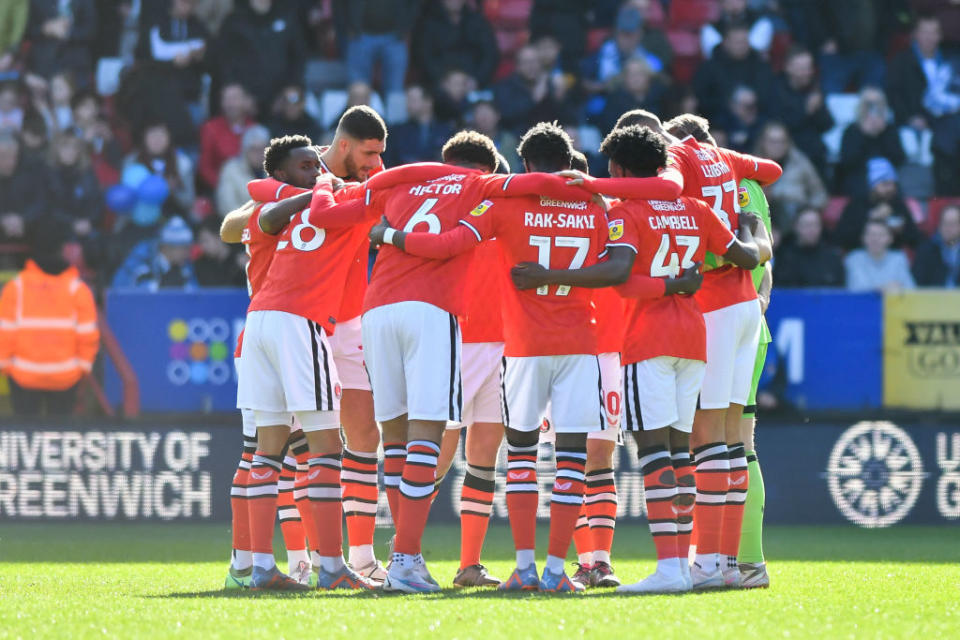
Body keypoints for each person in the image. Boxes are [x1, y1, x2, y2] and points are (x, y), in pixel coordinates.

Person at [511, 125, 761, 594]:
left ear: (622, 171)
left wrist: (550, 273)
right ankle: (688, 565)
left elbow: (620, 277)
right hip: (694, 338)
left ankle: (669, 569)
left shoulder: (626, 213)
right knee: (681, 451)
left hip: (647, 340)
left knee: (653, 453)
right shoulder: (697, 208)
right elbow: (747, 258)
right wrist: (751, 226)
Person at [366, 126, 611, 593]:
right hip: (488, 336)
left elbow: (443, 239)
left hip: (490, 338)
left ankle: (459, 562)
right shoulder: (501, 196)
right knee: (458, 452)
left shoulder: (494, 204)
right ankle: (412, 554)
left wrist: (388, 232)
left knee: (479, 457)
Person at [569, 110, 780, 589]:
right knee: (727, 442)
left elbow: (649, 216)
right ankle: (725, 564)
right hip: (741, 304)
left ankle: (690, 565)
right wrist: (759, 235)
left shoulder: (671, 171)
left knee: (689, 444)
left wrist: (590, 187)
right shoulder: (718, 166)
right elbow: (770, 177)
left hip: (693, 317)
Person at [243, 106, 389, 582]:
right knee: (326, 449)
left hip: (263, 316)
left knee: (267, 453)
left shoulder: (294, 200)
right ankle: (330, 566)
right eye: (369, 154)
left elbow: (253, 211)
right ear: (345, 146)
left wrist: (312, 190)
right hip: (305, 323)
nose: (374, 163)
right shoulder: (347, 198)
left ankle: (255, 567)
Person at [0, 226, 99, 416]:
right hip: (66, 377)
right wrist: (83, 369)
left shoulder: (16, 287)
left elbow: (4, 334)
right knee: (59, 438)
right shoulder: (78, 289)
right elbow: (89, 336)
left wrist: (6, 368)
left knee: (26, 439)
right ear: (63, 250)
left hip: (23, 377)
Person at [887, 14, 960, 196]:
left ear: (940, 36)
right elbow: (893, 95)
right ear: (915, 35)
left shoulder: (952, 62)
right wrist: (909, 118)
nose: (929, 37)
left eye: (934, 32)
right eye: (924, 32)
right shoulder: (900, 62)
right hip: (916, 123)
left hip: (949, 123)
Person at [216, 0, 307, 113]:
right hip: (245, 101)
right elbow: (224, 59)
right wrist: (238, 92)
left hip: (280, 100)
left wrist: (292, 86)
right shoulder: (233, 21)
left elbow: (298, 56)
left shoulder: (287, 17)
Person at [692, 21, 775, 123]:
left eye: (744, 41)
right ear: (725, 43)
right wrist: (731, 104)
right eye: (737, 42)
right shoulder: (709, 67)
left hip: (757, 118)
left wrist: (755, 101)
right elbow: (702, 99)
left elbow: (770, 93)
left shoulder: (761, 65)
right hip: (720, 121)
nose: (741, 46)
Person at [752, 122, 828, 232]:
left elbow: (820, 195)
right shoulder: (751, 165)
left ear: (788, 143)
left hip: (798, 225)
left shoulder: (801, 163)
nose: (777, 146)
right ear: (763, 142)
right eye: (773, 141)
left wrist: (807, 211)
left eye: (781, 141)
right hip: (763, 222)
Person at [835, 157, 922, 251]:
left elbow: (915, 239)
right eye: (885, 184)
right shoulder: (856, 205)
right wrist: (870, 217)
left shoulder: (897, 204)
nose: (891, 188)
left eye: (893, 184)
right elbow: (840, 239)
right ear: (872, 186)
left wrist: (901, 230)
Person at [770, 47, 834, 174]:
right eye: (801, 68)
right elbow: (779, 125)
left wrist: (818, 108)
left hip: (815, 154)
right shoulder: (776, 90)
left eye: (808, 68)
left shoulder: (813, 89)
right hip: (785, 155)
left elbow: (828, 124)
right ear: (788, 68)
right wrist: (806, 110)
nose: (806, 72)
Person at [411, 0, 499, 89]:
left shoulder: (477, 21)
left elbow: (490, 54)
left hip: (474, 84)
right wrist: (443, 81)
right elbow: (423, 57)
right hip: (438, 87)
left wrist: (476, 80)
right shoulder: (426, 23)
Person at [835, 88, 905, 197]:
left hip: (886, 180)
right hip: (859, 181)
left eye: (877, 103)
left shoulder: (890, 130)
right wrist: (863, 135)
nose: (873, 108)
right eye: (869, 104)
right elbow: (848, 162)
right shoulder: (852, 130)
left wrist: (882, 134)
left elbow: (898, 158)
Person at [342, 0, 418, 97]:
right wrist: (349, 26)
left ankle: (394, 113)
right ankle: (359, 112)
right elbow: (340, 4)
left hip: (395, 37)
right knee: (358, 89)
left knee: (395, 90)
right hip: (360, 36)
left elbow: (415, 3)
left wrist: (405, 28)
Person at [494, 45, 575, 135]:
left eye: (534, 61)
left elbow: (568, 117)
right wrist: (533, 100)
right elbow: (507, 115)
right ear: (517, 66)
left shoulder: (549, 83)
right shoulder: (506, 87)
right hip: (519, 137)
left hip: (550, 137)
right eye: (526, 62)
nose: (531, 66)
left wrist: (560, 97)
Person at [125, 121, 195, 216]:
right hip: (139, 217)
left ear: (169, 137)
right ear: (144, 139)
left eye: (161, 135)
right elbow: (125, 198)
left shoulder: (182, 162)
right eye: (152, 135)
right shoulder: (132, 162)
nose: (157, 140)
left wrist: (173, 191)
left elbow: (189, 200)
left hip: (173, 216)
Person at [591, 5, 671, 88]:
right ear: (616, 33)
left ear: (640, 34)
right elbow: (589, 82)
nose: (627, 39)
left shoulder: (649, 52)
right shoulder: (606, 50)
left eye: (631, 34)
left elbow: (664, 80)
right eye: (624, 34)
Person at [112, 216, 198, 290]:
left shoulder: (185, 266)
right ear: (167, 247)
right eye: (184, 248)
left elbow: (194, 294)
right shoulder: (142, 260)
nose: (187, 253)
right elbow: (133, 295)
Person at [199, 83, 255, 191]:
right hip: (222, 188)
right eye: (226, 99)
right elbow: (205, 168)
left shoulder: (253, 128)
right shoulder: (210, 128)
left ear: (245, 101)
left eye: (235, 98)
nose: (230, 104)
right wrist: (224, 186)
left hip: (252, 189)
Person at [26, 0, 97, 83]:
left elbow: (91, 30)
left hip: (76, 62)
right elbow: (27, 30)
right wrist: (46, 28)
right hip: (45, 62)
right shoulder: (36, 2)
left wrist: (67, 33)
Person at [774, 208, 846, 288]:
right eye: (807, 225)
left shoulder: (833, 258)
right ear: (796, 227)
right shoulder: (783, 258)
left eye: (816, 224)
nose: (812, 229)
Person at [384, 86, 452, 167]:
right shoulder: (397, 131)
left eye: (413, 100)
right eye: (407, 100)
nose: (408, 105)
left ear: (428, 102)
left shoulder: (446, 130)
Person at [0, 132, 48, 246]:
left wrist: (22, 219)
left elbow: (40, 202)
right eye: (3, 157)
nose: (10, 162)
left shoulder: (29, 172)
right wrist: (2, 220)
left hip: (26, 228)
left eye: (14, 157)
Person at [844, 220, 916, 292]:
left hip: (894, 302)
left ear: (890, 239)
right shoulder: (854, 259)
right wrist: (884, 288)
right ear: (863, 238)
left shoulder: (899, 258)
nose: (875, 239)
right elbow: (856, 290)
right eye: (871, 234)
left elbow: (910, 289)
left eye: (881, 235)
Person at [216, 124, 269, 217]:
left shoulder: (275, 171)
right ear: (245, 150)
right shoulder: (230, 170)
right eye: (254, 149)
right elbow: (227, 206)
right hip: (240, 226)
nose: (259, 154)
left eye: (262, 149)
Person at [701, 0, 774, 60]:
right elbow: (713, 54)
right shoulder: (711, 27)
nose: (734, 3)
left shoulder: (761, 22)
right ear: (721, 3)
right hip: (720, 71)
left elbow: (756, 50)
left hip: (753, 69)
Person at [912, 205, 960, 288]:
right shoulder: (925, 251)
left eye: (952, 224)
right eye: (944, 223)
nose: (947, 228)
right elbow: (917, 284)